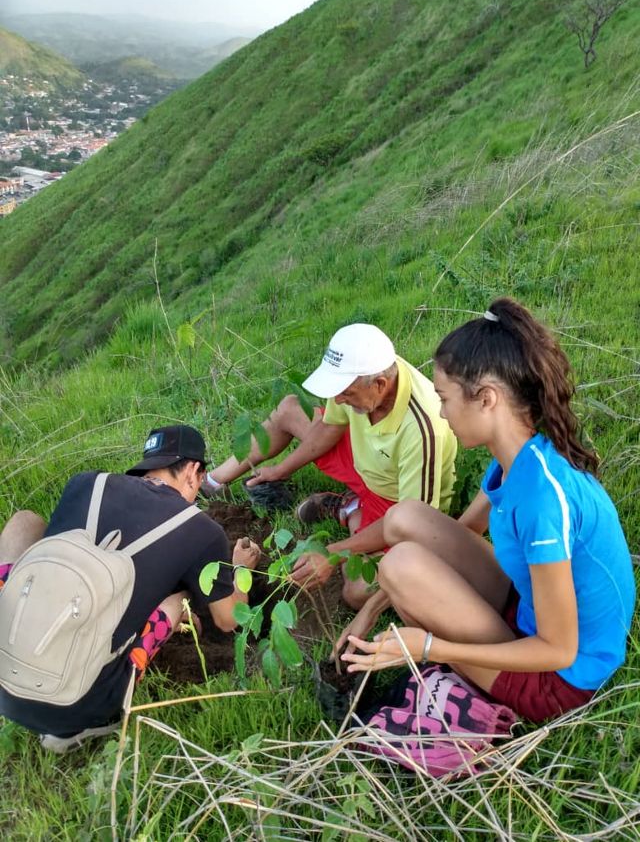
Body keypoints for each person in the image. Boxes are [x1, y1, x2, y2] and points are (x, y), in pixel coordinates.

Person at [340, 298, 636, 723]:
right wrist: (371, 609)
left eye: (444, 399)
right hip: (529, 607)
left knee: (399, 566)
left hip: (558, 677)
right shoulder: (522, 455)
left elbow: (559, 649)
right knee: (406, 518)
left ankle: (464, 680)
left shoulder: (541, 501)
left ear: (486, 399)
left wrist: (430, 647)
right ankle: (458, 643)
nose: (441, 412)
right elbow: (453, 538)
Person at [0, 425, 260, 752]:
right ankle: (82, 725)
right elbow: (228, 620)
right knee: (178, 598)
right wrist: (241, 570)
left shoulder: (85, 483)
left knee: (25, 522)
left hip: (6, 683)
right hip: (77, 704)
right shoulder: (202, 531)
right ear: (193, 472)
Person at [204, 323, 457, 607]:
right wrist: (281, 469)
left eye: (346, 393)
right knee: (289, 409)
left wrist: (332, 552)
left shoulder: (423, 431)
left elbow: (412, 522)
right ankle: (211, 481)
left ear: (380, 385)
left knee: (357, 591)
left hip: (397, 504)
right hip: (365, 461)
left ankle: (352, 511)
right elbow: (329, 426)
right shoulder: (361, 377)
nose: (337, 399)